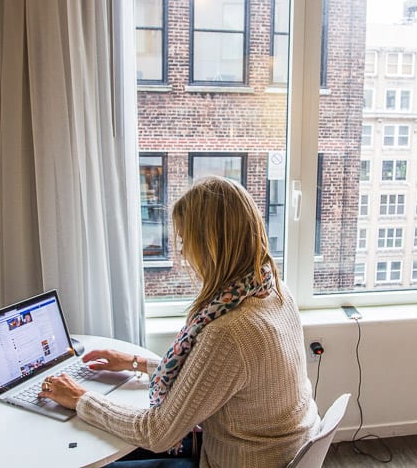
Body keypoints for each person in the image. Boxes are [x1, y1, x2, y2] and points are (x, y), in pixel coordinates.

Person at [38, 176, 320, 467]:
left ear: (211, 244)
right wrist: (134, 362)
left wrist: (80, 397)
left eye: (185, 240)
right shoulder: (271, 290)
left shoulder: (230, 331)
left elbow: (157, 433)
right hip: (279, 450)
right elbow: (211, 378)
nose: (182, 251)